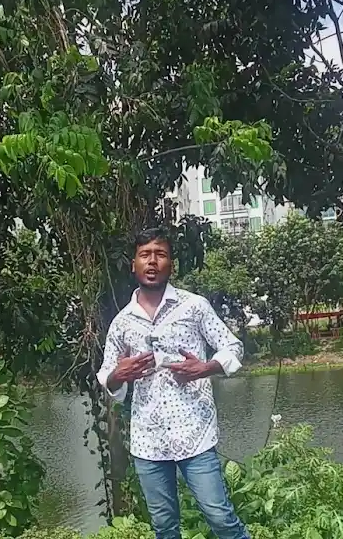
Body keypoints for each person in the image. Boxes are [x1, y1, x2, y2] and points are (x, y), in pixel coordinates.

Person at [97, 227, 250, 539]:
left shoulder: (194, 306)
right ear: (134, 264)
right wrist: (118, 375)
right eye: (145, 255)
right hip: (148, 441)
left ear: (171, 264)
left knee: (220, 517)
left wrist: (205, 368)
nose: (152, 262)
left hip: (195, 433)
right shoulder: (122, 323)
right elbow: (108, 378)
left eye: (161, 254)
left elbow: (233, 347)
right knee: (164, 528)